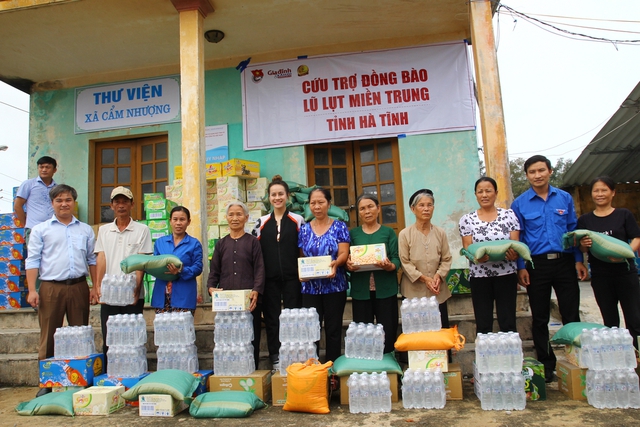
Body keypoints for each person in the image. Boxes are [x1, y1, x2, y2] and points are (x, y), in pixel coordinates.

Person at [511, 155, 588, 383]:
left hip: (564, 262)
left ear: (550, 171)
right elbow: (519, 238)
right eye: (532, 172)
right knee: (540, 317)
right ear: (527, 175)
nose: (537, 175)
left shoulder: (564, 198)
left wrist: (578, 260)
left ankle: (575, 361)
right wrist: (521, 267)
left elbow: (573, 231)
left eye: (541, 170)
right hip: (536, 265)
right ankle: (547, 365)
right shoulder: (520, 203)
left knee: (571, 314)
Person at [25, 184, 97, 397]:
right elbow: (33, 260)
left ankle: (80, 379)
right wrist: (32, 289)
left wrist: (94, 287)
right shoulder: (41, 229)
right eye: (59, 200)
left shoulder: (85, 229)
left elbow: (92, 259)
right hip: (50, 287)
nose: (64, 204)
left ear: (74, 203)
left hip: (78, 286)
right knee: (48, 334)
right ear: (52, 203)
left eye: (68, 200)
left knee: (80, 333)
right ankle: (46, 382)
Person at [577, 176, 640, 349]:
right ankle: (616, 357)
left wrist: (625, 254)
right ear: (591, 194)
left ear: (612, 193)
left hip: (625, 274)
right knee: (610, 321)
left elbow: (636, 237)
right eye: (596, 190)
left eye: (604, 190)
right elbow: (582, 248)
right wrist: (583, 245)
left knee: (634, 319)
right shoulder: (585, 220)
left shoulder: (623, 214)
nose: (600, 194)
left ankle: (637, 356)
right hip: (601, 275)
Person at [94, 186, 153, 364]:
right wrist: (97, 286)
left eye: (125, 201)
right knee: (110, 337)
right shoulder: (104, 231)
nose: (121, 205)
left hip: (132, 292)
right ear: (111, 206)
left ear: (132, 204)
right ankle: (110, 374)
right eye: (117, 202)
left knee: (132, 337)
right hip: (110, 292)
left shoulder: (142, 230)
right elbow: (101, 257)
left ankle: (133, 372)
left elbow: (141, 261)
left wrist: (136, 289)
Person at [252, 176, 305, 368]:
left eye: (280, 194)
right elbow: (255, 252)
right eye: (273, 194)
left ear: (287, 196)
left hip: (293, 278)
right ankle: (275, 355)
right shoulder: (261, 222)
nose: (277, 198)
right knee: (272, 318)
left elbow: (302, 249)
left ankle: (293, 353)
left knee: (293, 316)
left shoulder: (297, 220)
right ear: (268, 197)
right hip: (269, 279)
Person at [459, 177, 521, 334]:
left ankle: (509, 356)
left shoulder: (509, 215)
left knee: (508, 321)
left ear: (496, 193)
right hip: (480, 277)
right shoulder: (467, 220)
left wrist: (514, 254)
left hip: (506, 274)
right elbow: (467, 248)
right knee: (483, 321)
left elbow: (515, 243)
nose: (484, 195)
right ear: (476, 195)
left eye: (488, 191)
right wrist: (475, 257)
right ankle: (485, 356)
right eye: (480, 191)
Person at [208, 201, 265, 369]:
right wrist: (211, 288)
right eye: (231, 214)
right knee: (228, 339)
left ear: (246, 218)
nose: (235, 218)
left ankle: (251, 369)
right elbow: (214, 271)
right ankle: (229, 370)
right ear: (226, 218)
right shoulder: (221, 244)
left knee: (250, 337)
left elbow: (260, 269)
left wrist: (256, 290)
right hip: (227, 302)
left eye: (239, 214)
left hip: (249, 301)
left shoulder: (253, 242)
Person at [298, 187, 350, 364]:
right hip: (310, 289)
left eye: (321, 202)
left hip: (335, 286)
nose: (317, 206)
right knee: (312, 331)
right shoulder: (304, 230)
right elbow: (302, 257)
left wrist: (337, 262)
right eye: (313, 203)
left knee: (333, 329)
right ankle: (314, 368)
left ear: (329, 203)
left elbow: (343, 253)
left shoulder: (339, 226)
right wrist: (302, 272)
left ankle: (332, 369)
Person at [346, 194, 400, 354]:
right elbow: (347, 259)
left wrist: (390, 266)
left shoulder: (388, 232)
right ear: (359, 212)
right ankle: (367, 365)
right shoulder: (353, 234)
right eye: (362, 208)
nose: (367, 211)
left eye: (370, 206)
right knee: (363, 330)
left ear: (378, 208)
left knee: (388, 328)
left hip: (386, 289)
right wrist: (349, 266)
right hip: (361, 291)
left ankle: (389, 360)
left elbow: (396, 258)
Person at [399, 189, 452, 329]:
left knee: (440, 330)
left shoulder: (440, 233)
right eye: (422, 205)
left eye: (430, 205)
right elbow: (404, 262)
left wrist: (438, 276)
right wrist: (424, 278)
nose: (426, 209)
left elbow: (446, 259)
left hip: (437, 290)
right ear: (413, 208)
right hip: (413, 293)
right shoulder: (405, 234)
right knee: (417, 332)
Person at [151, 206, 203, 314]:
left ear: (188, 222)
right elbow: (154, 264)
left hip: (184, 295)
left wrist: (180, 271)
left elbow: (198, 267)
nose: (178, 223)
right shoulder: (160, 242)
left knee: (182, 328)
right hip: (162, 295)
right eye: (175, 219)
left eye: (182, 219)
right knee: (162, 328)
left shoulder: (194, 244)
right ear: (170, 221)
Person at [14, 156, 57, 230]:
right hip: (33, 228)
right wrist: (26, 225)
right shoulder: (28, 184)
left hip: (53, 229)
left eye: (47, 167)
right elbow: (17, 206)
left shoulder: (57, 188)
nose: (44, 170)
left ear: (54, 170)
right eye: (41, 167)